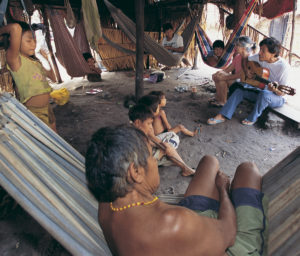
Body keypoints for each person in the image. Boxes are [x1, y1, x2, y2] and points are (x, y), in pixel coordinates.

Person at [85, 125, 267, 256]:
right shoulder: (173, 221)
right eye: (152, 155)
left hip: (188, 234)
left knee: (209, 161)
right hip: (220, 239)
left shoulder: (106, 205)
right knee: (247, 169)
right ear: (136, 172)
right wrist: (223, 191)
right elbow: (228, 233)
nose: (156, 161)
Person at [208, 37, 289, 126]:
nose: (259, 53)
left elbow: (282, 93)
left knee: (265, 94)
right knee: (239, 91)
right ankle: (222, 115)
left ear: (273, 53)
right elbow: (246, 59)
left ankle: (253, 118)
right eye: (260, 49)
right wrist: (247, 71)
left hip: (276, 98)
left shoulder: (283, 67)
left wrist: (274, 90)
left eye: (263, 51)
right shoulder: (259, 57)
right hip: (261, 89)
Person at [0, 22, 57, 131]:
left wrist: (47, 59)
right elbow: (15, 28)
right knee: (45, 141)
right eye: (29, 40)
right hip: (35, 112)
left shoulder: (35, 61)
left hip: (47, 108)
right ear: (13, 41)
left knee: (56, 139)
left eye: (34, 40)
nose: (34, 44)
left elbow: (53, 78)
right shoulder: (15, 60)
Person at [128, 104, 195, 176]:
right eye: (149, 123)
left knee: (169, 143)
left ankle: (182, 165)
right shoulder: (134, 137)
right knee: (170, 152)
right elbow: (145, 158)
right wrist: (163, 150)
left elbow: (152, 141)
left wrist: (159, 143)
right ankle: (186, 169)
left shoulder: (140, 129)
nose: (151, 127)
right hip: (147, 159)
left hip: (151, 149)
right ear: (137, 122)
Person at [210, 36, 256, 107]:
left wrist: (223, 78)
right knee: (218, 75)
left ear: (243, 48)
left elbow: (240, 75)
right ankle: (218, 98)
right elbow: (228, 69)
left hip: (245, 84)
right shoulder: (238, 56)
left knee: (221, 79)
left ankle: (223, 102)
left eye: (237, 45)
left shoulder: (250, 59)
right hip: (237, 80)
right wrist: (218, 73)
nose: (235, 47)